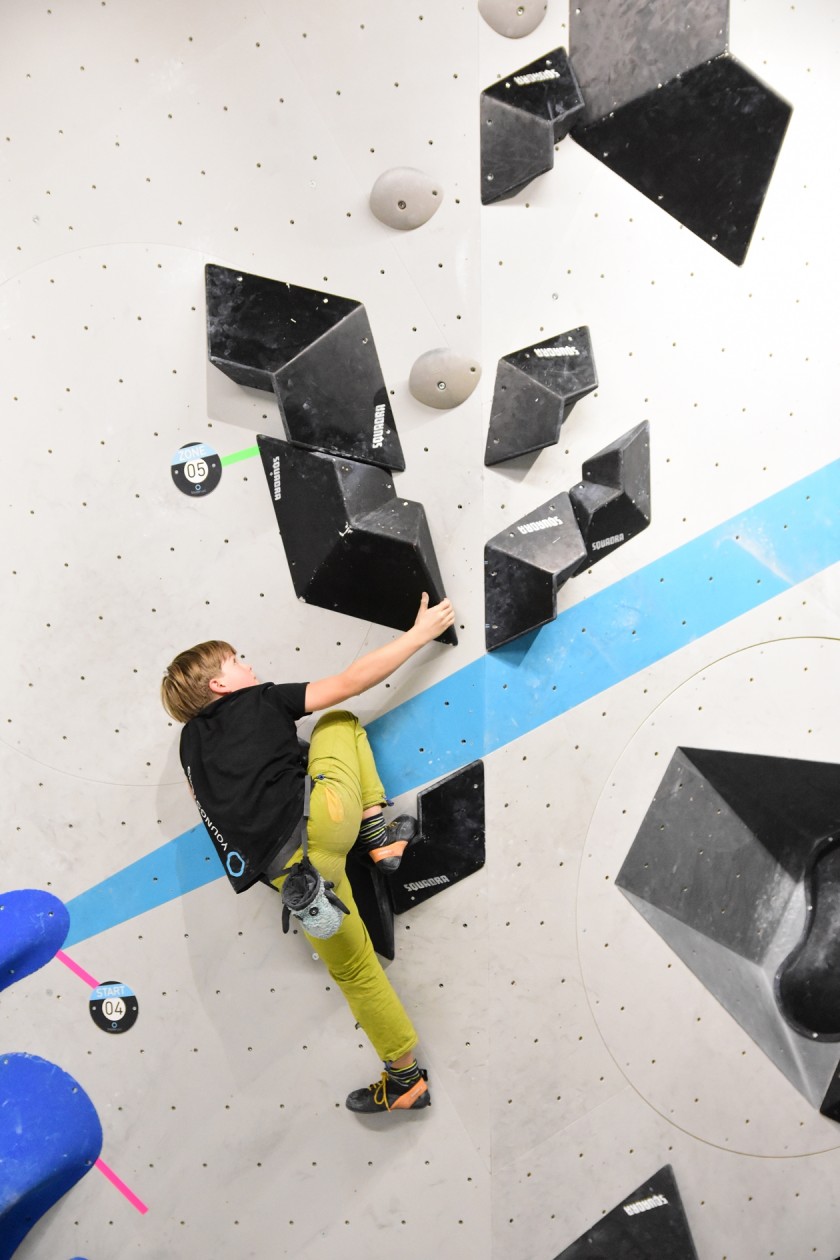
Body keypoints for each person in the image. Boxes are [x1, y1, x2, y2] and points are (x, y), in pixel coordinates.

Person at [160, 593, 455, 1115]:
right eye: (237, 661)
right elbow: (349, 681)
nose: (249, 665)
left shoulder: (189, 750)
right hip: (325, 820)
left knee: (358, 973)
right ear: (219, 685)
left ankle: (404, 1080)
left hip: (292, 882)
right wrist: (418, 635)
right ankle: (377, 834)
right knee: (337, 720)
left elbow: (208, 801)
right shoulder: (260, 700)